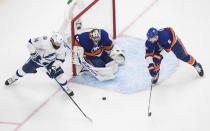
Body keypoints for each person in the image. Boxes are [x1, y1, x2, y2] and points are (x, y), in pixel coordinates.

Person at [5, 33, 74, 97]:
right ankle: (13, 78)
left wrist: (53, 67)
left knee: (60, 77)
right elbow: (30, 43)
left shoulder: (63, 47)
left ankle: (66, 88)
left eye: (59, 44)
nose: (58, 45)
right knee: (22, 71)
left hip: (50, 62)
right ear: (52, 41)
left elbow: (60, 59)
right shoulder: (43, 41)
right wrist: (33, 53)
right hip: (36, 60)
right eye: (56, 43)